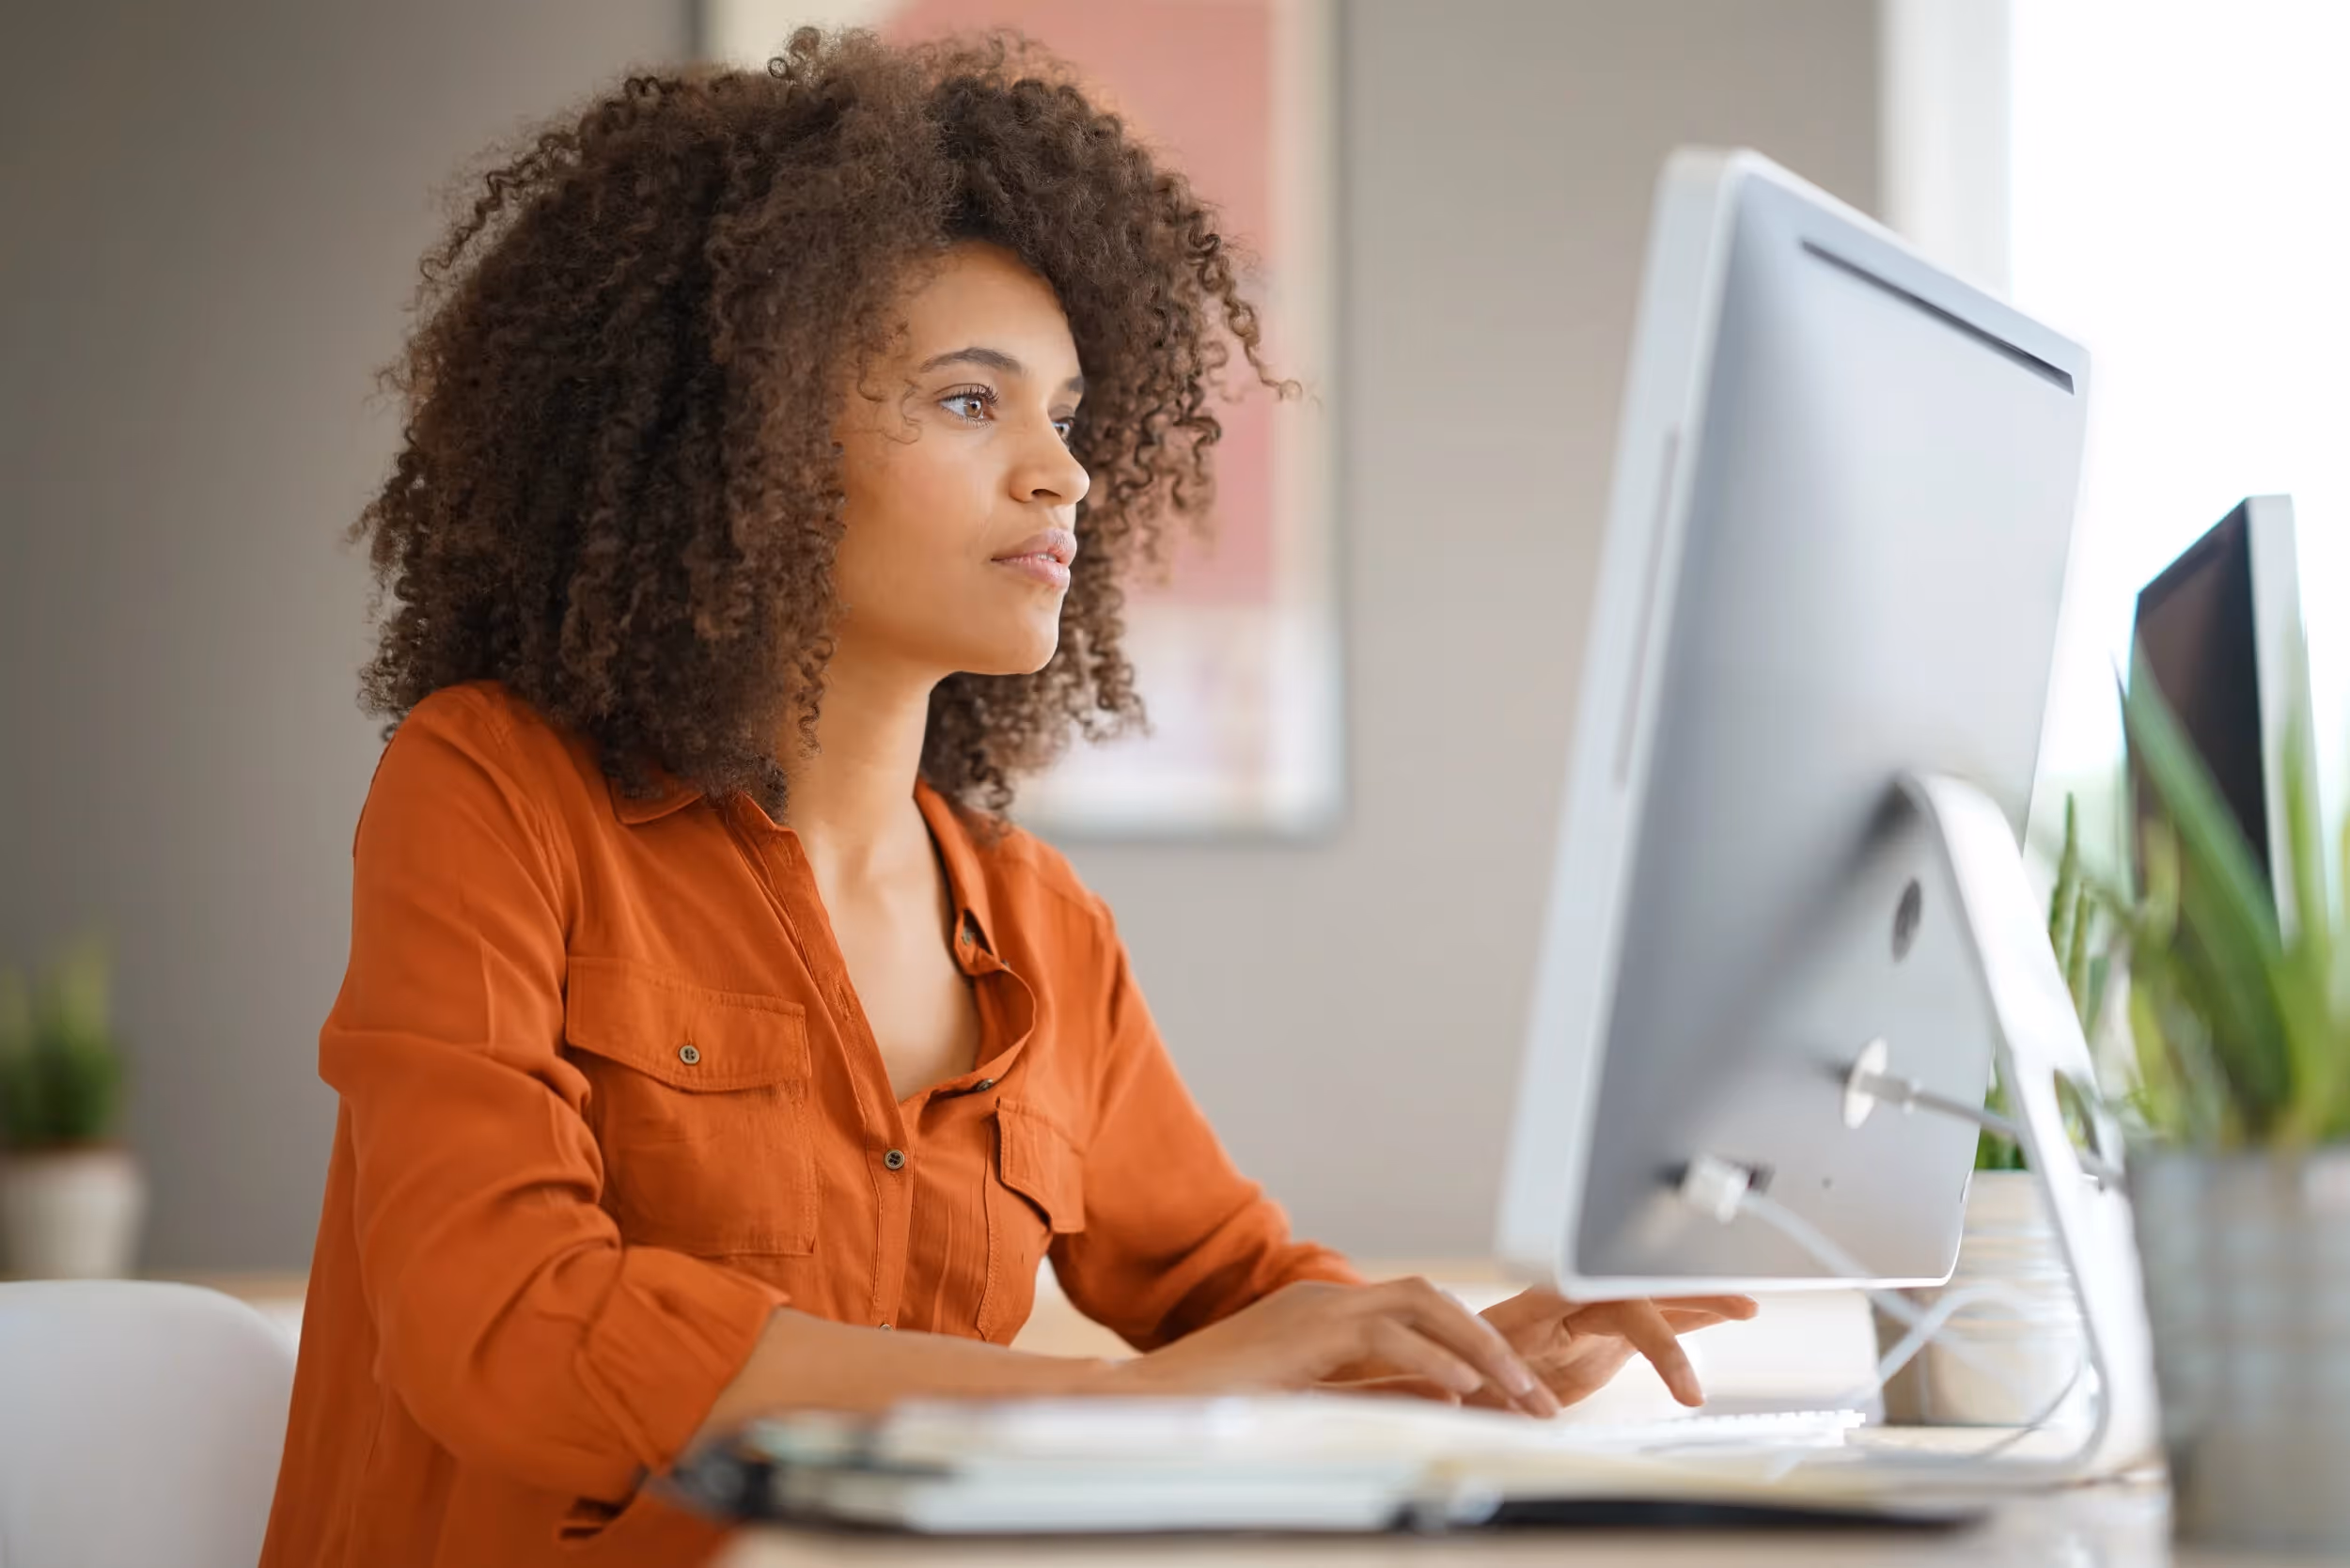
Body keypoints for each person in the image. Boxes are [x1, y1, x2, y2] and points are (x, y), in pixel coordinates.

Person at [259, 28, 1755, 1566]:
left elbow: (1242, 1302)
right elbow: (504, 1324)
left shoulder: (1044, 934)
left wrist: (1484, 1364)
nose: (1065, 475)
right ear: (748, 438)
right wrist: (1136, 1406)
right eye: (973, 401)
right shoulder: (491, 789)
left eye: (1070, 415)